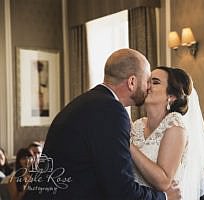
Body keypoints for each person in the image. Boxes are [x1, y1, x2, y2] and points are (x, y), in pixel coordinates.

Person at [23, 48, 180, 200]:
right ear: (132, 82)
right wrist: (164, 197)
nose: (148, 87)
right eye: (147, 81)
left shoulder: (88, 102)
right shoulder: (112, 111)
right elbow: (121, 191)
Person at [130, 66, 204, 200]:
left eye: (155, 82)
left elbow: (164, 182)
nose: (147, 86)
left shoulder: (175, 125)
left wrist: (129, 147)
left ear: (171, 96)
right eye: (148, 81)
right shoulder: (138, 125)